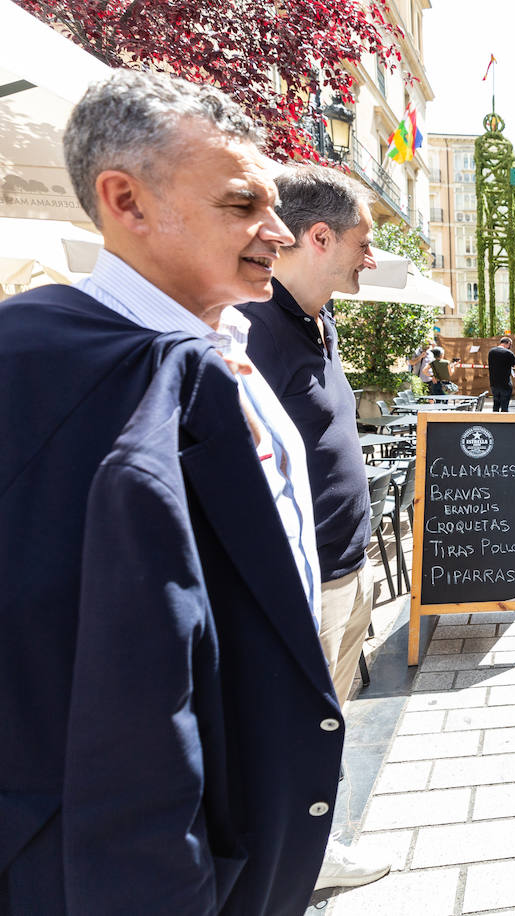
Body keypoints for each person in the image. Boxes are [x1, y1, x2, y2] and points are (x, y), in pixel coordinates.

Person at [0, 71, 343, 914]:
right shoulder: (38, 367)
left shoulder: (227, 340)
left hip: (247, 816)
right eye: (240, 206)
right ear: (127, 200)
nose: (276, 231)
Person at [238, 163, 392, 892]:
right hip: (304, 584)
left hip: (348, 567)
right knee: (293, 731)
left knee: (327, 721)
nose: (370, 258)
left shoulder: (318, 319)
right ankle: (295, 863)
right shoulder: (250, 334)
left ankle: (313, 845)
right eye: (363, 243)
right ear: (320, 236)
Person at [487, 335, 515, 412]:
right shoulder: (508, 353)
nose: (510, 347)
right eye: (510, 345)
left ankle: (495, 422)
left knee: (496, 405)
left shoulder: (491, 352)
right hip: (505, 383)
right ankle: (504, 422)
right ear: (508, 343)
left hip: (494, 383)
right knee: (504, 405)